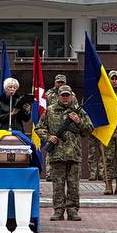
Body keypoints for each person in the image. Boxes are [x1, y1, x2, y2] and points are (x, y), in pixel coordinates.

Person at [36, 85, 92, 221]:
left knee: (73, 185)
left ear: (71, 96)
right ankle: (58, 210)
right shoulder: (50, 110)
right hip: (57, 154)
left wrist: (79, 121)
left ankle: (72, 210)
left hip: (74, 153)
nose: (65, 98)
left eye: (68, 95)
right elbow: (39, 128)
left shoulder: (79, 111)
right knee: (58, 184)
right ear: (58, 96)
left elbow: (89, 130)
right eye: (63, 95)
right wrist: (48, 137)